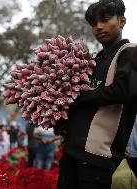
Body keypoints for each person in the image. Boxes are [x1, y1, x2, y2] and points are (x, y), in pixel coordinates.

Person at [55, 0, 137, 188]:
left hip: (99, 157)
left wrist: (76, 98)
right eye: (94, 23)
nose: (98, 26)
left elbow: (122, 91)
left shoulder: (130, 52)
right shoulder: (93, 60)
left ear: (122, 21)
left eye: (105, 20)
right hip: (72, 151)